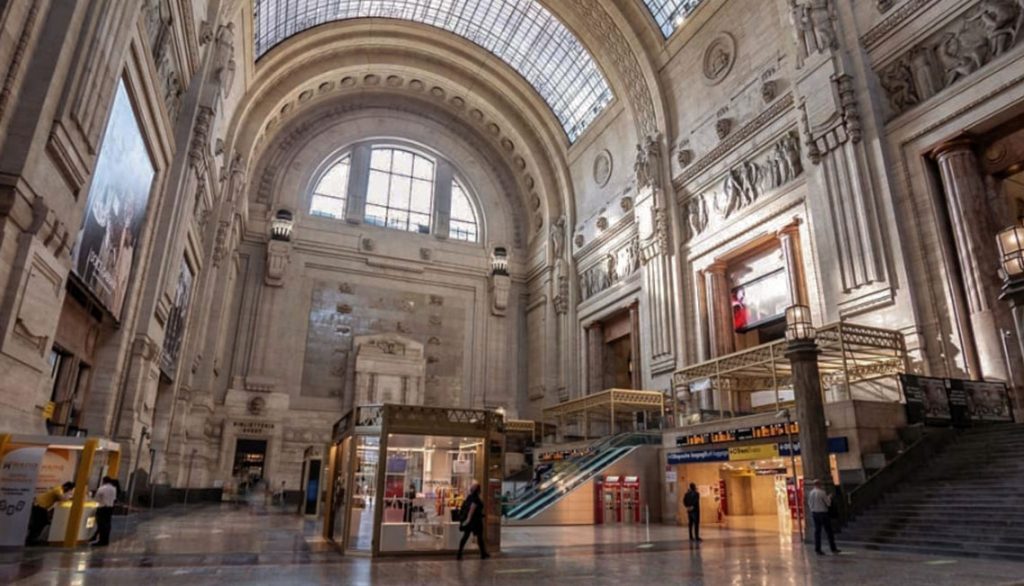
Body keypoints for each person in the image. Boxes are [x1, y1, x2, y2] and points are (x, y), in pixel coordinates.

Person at [456, 482, 490, 560]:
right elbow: (471, 511)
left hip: (471, 521)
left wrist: (466, 521)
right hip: (475, 521)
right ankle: (483, 554)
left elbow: (466, 508)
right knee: (479, 537)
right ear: (478, 490)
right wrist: (467, 521)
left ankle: (459, 553)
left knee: (465, 537)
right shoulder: (476, 499)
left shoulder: (469, 497)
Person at [808, 479, 840, 555]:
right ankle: (833, 548)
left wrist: (813, 509)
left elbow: (809, 503)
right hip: (823, 513)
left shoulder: (811, 493)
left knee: (817, 532)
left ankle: (817, 549)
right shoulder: (822, 492)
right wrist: (829, 497)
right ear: (819, 484)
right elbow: (828, 503)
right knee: (829, 531)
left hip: (815, 513)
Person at [92, 477, 117, 547]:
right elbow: (114, 499)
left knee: (101, 524)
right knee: (107, 524)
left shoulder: (102, 488)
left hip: (102, 507)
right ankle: (106, 540)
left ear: (104, 481)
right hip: (110, 508)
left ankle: (101, 540)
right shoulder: (113, 489)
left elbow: (96, 498)